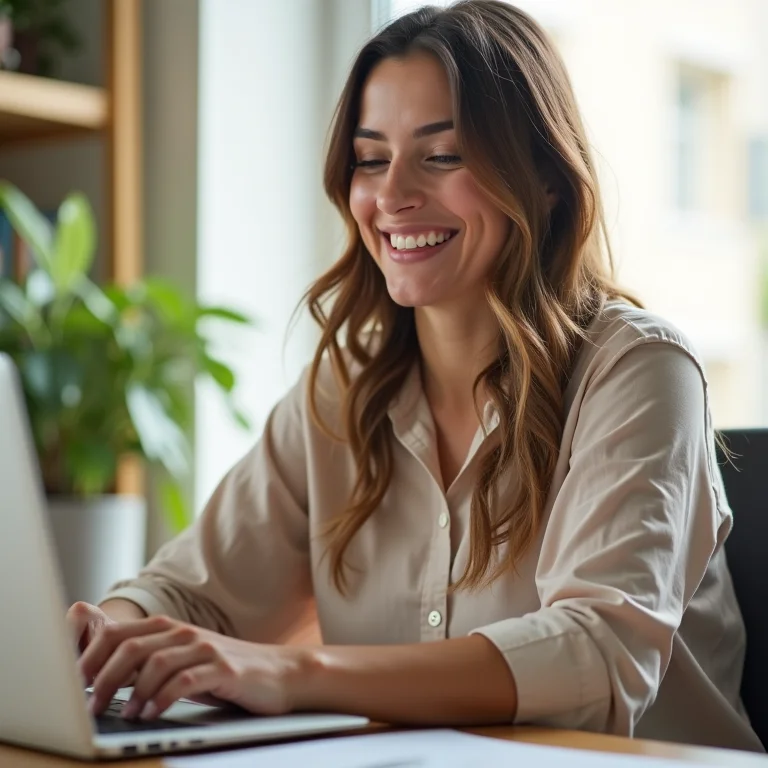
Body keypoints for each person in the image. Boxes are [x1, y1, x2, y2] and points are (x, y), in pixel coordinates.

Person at [67, 0, 763, 752]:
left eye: (443, 154)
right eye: (371, 159)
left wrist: (294, 671)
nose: (392, 194)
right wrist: (109, 635)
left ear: (546, 179)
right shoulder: (342, 392)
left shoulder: (640, 371)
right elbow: (192, 595)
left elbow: (595, 654)